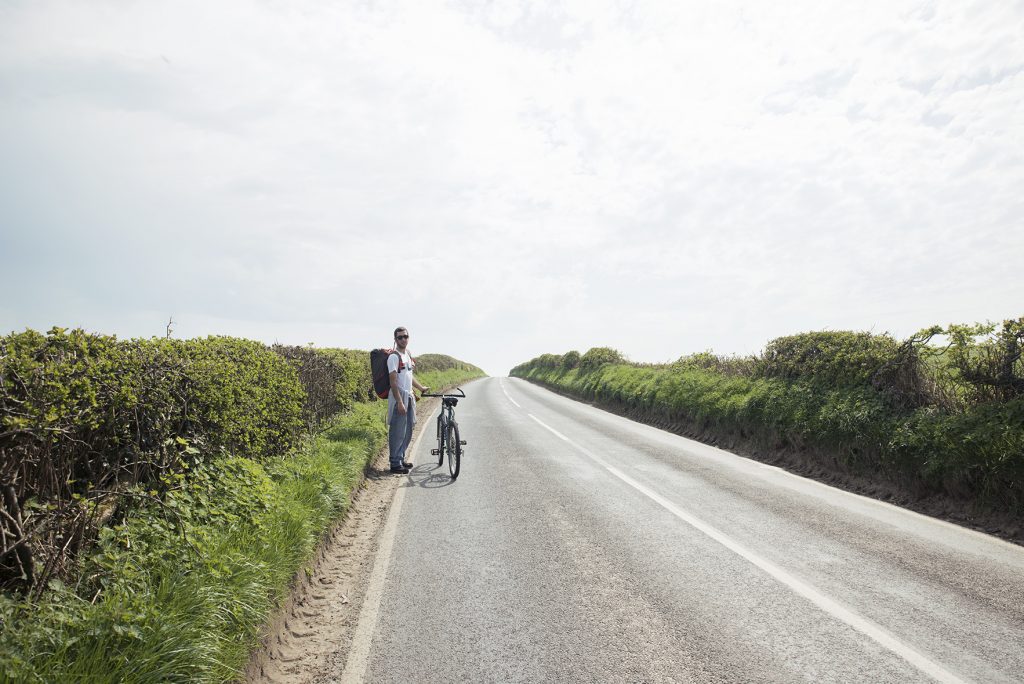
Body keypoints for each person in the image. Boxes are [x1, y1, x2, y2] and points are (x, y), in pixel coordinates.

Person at [387, 326, 429, 474]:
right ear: (395, 339)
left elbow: (409, 377)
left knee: (408, 429)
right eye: (400, 337)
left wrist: (421, 388)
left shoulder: (408, 354)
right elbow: (393, 382)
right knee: (398, 430)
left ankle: (401, 458)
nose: (403, 339)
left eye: (405, 336)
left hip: (409, 396)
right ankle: (394, 463)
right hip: (399, 396)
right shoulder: (393, 357)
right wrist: (399, 402)